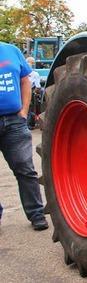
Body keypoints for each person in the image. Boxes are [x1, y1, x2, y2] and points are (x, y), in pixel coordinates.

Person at [0, 41, 48, 230]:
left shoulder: (11, 51)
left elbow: (24, 81)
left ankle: (36, 214)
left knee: (25, 169)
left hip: (14, 122)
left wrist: (24, 111)